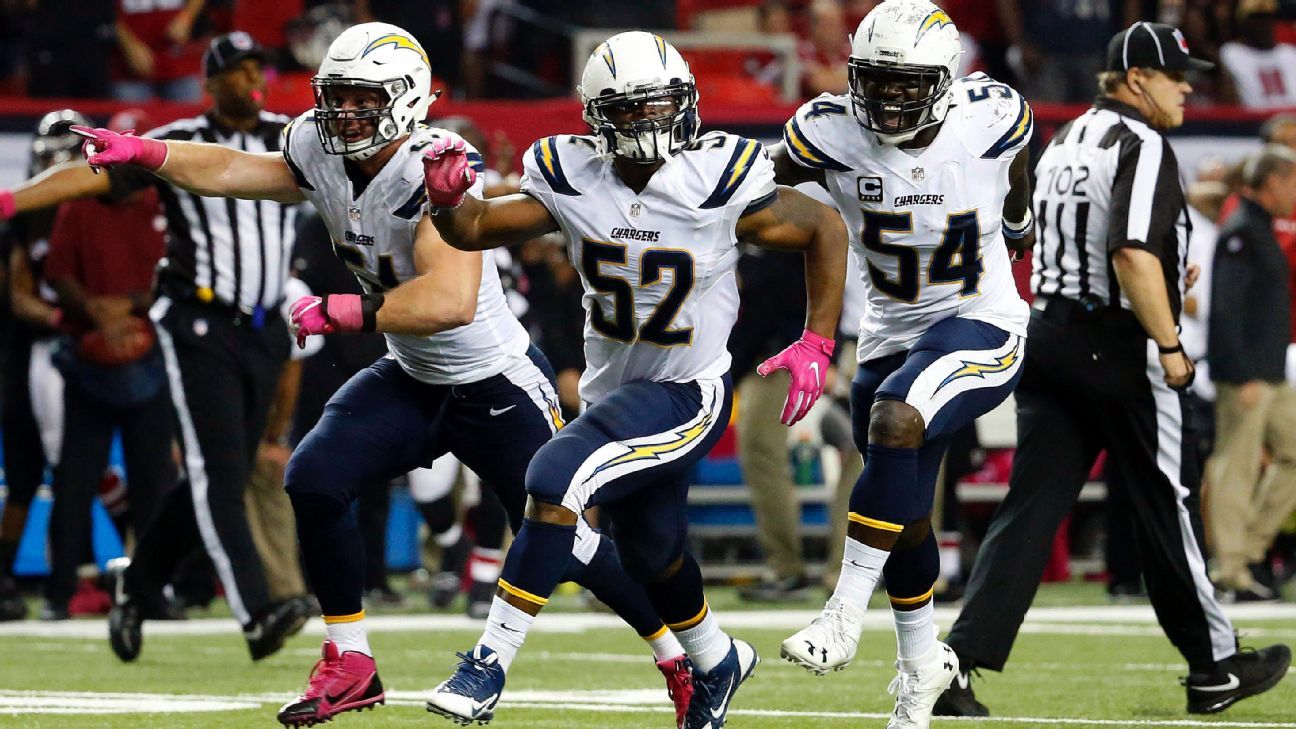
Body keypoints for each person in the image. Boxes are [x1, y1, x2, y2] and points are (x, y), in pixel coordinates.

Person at [70, 22, 695, 728]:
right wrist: (152, 153)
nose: (342, 115)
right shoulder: (318, 146)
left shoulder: (436, 164)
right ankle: (352, 661)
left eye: (361, 99)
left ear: (401, 100)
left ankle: (679, 657)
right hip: (413, 374)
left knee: (572, 542)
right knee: (313, 477)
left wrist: (345, 309)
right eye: (335, 98)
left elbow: (449, 300)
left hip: (494, 382)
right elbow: (237, 171)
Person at [422, 30, 849, 729]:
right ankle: (716, 659)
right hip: (614, 393)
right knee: (655, 556)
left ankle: (486, 663)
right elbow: (473, 229)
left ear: (685, 103)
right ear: (595, 118)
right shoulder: (571, 174)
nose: (648, 123)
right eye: (628, 110)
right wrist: (444, 199)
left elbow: (824, 227)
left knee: (553, 477)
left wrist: (819, 337)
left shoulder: (718, 174)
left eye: (658, 106)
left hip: (688, 390)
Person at [934, 21, 1291, 719]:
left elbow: (1063, 236)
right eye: (1175, 74)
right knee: (1166, 501)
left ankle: (955, 667)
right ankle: (1215, 664)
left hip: (1054, 333)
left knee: (1028, 512)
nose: (1189, 85)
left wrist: (1159, 266)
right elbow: (1130, 252)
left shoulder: (1068, 137)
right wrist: (1171, 342)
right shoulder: (1144, 143)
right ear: (1136, 79)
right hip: (1117, 345)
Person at [0, 32, 309, 660]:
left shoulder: (293, 136)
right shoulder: (181, 138)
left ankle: (136, 587)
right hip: (198, 325)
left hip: (265, 328)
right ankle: (259, 610)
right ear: (210, 81)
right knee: (217, 477)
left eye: (258, 65)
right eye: (237, 68)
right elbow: (92, 175)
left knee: (208, 482)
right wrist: (8, 199)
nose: (252, 77)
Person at [767, 3, 1034, 727]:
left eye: (906, 85)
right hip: (890, 334)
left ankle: (842, 614)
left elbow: (1021, 153)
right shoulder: (824, 128)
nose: (887, 100)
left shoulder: (991, 114)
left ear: (945, 81)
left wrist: (1017, 222)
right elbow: (758, 189)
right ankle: (922, 674)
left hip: (982, 322)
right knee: (905, 515)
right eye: (876, 82)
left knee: (896, 416)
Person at [41, 108, 178, 621]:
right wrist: (98, 311)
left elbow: (179, 271)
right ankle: (60, 591)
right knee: (76, 480)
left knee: (154, 483)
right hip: (90, 356)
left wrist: (130, 306)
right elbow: (58, 274)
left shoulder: (164, 203)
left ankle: (152, 590)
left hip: (148, 349)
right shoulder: (78, 206)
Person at [0, 109, 91, 622]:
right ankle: (8, 575)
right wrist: (67, 317)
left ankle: (90, 575)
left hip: (83, 350)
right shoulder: (26, 217)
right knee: (27, 472)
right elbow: (17, 297)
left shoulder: (102, 209)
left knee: (83, 470)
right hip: (30, 352)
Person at [1205, 144, 1296, 601]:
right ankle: (1230, 569)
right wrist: (1241, 374)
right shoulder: (1242, 229)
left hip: (1270, 371)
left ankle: (1249, 550)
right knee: (1234, 466)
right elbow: (1228, 307)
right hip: (1248, 375)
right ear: (1275, 181)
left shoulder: (1255, 227)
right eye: (1293, 182)